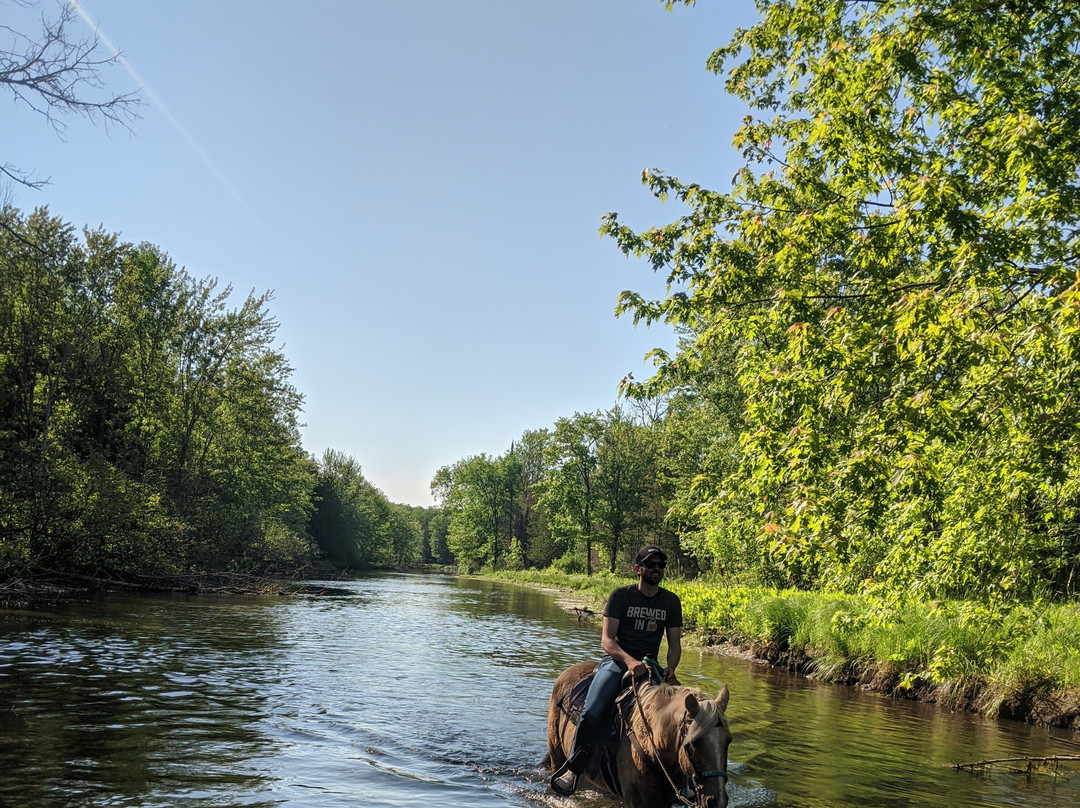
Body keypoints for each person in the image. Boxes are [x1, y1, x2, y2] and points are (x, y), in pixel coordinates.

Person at [550, 545, 683, 797]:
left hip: (651, 667)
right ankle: (573, 768)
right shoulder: (621, 596)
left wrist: (671, 669)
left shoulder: (670, 601)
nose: (657, 569)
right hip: (617, 663)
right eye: (651, 564)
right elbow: (607, 641)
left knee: (682, 718)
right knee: (593, 711)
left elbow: (675, 644)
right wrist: (630, 662)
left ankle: (684, 782)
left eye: (661, 565)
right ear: (638, 569)